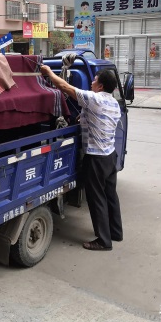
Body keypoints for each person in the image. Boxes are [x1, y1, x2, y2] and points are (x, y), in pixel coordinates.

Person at [40, 65, 122, 251]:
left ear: (100, 86)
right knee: (111, 196)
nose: (92, 82)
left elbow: (66, 88)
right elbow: (99, 119)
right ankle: (116, 232)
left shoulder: (94, 99)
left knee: (97, 199)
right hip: (110, 156)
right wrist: (83, 119)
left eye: (94, 80)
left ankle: (103, 241)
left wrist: (49, 73)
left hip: (96, 159)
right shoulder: (113, 103)